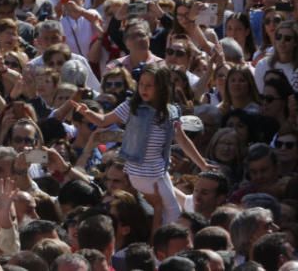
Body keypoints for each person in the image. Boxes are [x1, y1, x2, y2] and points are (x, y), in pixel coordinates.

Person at [73, 65, 211, 224]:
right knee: (173, 212)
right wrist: (87, 113)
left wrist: (203, 164)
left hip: (159, 168)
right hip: (141, 171)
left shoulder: (171, 111)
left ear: (161, 88)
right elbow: (103, 120)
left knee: (179, 204)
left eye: (149, 85)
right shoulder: (131, 106)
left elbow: (182, 139)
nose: (143, 88)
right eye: (141, 84)